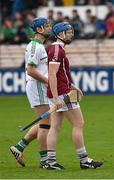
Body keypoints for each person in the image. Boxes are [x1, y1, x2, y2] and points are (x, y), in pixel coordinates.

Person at [44, 22, 103, 170]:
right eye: (68, 32)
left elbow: (60, 73)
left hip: (61, 91)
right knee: (79, 123)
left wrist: (72, 85)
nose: (71, 34)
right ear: (60, 34)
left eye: (71, 32)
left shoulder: (58, 49)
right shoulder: (57, 50)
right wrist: (57, 97)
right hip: (62, 94)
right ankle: (84, 161)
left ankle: (50, 162)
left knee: (55, 127)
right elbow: (51, 75)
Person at [10, 17, 52, 168]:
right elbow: (31, 70)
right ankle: (45, 161)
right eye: (47, 26)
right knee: (46, 124)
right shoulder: (35, 46)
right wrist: (48, 81)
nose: (49, 28)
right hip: (38, 86)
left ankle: (19, 147)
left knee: (45, 122)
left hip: (39, 86)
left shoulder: (39, 45)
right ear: (39, 29)